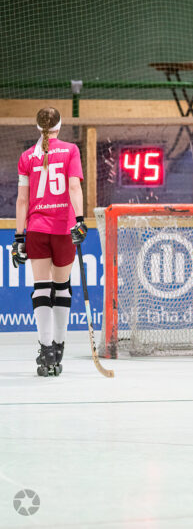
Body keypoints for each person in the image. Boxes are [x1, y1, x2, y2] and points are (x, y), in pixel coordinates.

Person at [14, 107, 87, 376]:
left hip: (37, 229)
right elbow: (74, 187)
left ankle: (45, 350)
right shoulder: (71, 150)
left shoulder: (26, 157)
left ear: (37, 127)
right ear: (60, 125)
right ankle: (58, 347)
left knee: (42, 288)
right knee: (62, 287)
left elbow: (22, 200)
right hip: (63, 229)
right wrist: (80, 220)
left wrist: (19, 237)